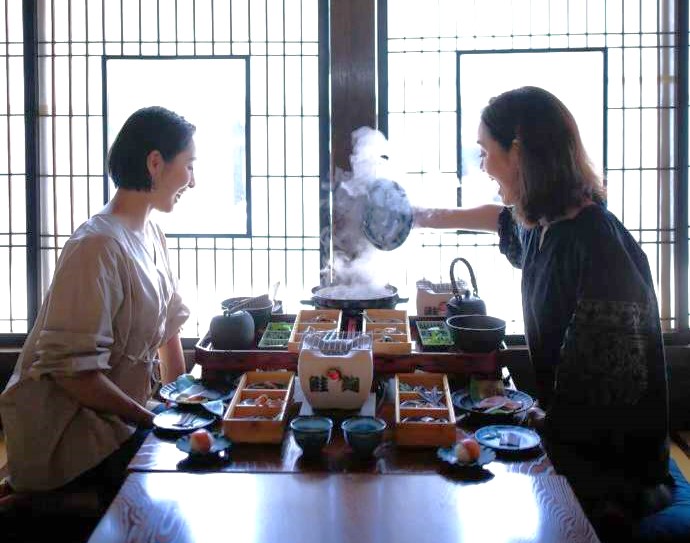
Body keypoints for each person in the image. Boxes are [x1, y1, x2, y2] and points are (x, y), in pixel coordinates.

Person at [415, 86, 675, 538]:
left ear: (518, 152)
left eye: (485, 152)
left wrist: (530, 418)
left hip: (614, 473)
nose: (483, 166)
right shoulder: (547, 225)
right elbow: (498, 217)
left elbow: (603, 394)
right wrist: (419, 216)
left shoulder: (595, 245)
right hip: (572, 439)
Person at [0, 106, 195, 505]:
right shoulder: (97, 245)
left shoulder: (151, 234)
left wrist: (183, 405)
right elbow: (73, 374)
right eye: (189, 166)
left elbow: (169, 330)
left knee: (204, 449)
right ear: (155, 163)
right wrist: (153, 420)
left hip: (123, 420)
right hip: (74, 438)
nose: (193, 181)